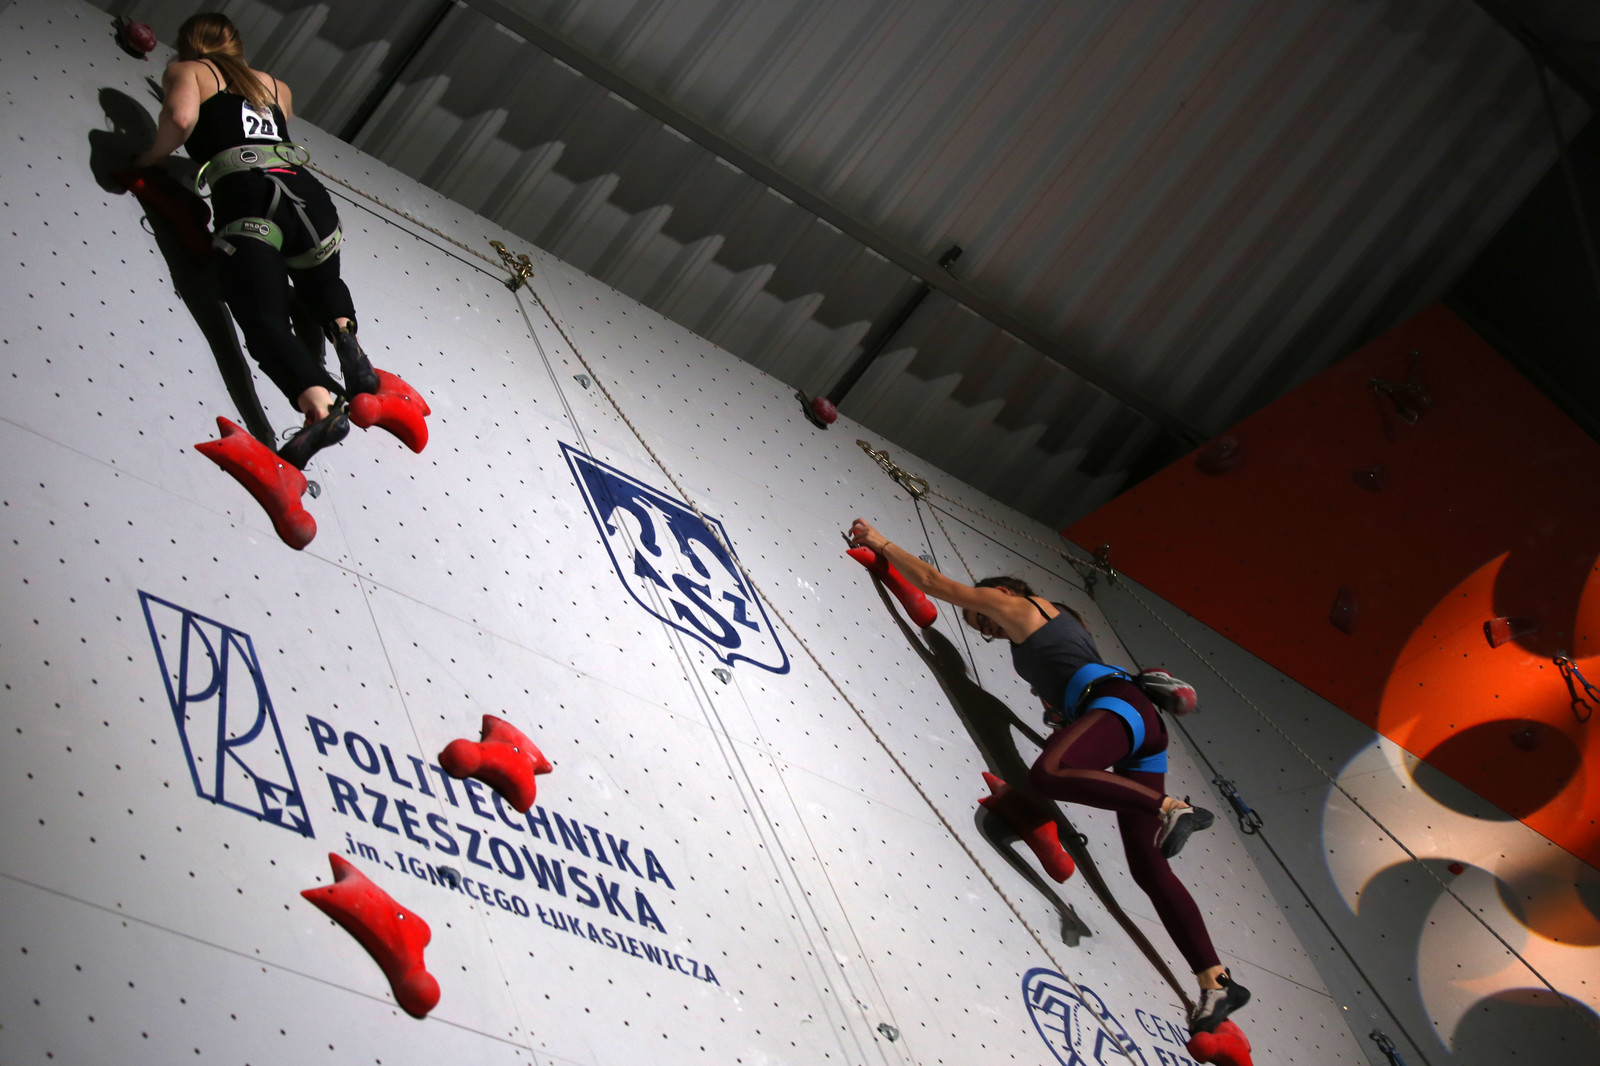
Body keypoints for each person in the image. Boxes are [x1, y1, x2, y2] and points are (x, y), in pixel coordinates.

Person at [847, 518, 1250, 1034]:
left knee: (1052, 773)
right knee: (1149, 870)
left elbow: (933, 583)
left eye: (981, 616)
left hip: (1118, 707)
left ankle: (1174, 808)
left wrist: (879, 542)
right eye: (981, 628)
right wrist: (1061, 715)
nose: (986, 628)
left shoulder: (1019, 606)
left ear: (1002, 594)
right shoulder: (1051, 628)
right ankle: (1217, 982)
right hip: (1133, 726)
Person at [133, 12, 377, 469]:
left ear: (189, 44)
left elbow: (181, 118)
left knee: (265, 322)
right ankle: (347, 340)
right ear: (236, 45)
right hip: (309, 198)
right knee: (321, 282)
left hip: (250, 200)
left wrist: (149, 157)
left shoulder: (187, 70)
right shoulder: (275, 86)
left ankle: (321, 407)